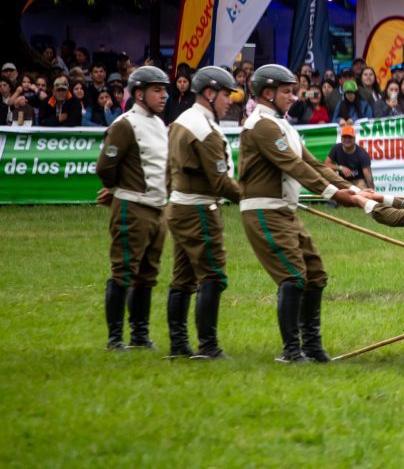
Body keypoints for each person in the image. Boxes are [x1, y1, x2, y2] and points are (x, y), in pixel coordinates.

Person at [237, 64, 359, 363]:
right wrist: (334, 194)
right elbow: (294, 167)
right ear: (268, 92)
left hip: (284, 210)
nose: (293, 97)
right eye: (287, 91)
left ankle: (312, 346)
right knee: (293, 276)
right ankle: (291, 351)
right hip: (264, 210)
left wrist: (352, 189)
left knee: (315, 274)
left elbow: (314, 164)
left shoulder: (283, 125)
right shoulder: (261, 125)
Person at [165, 66, 241, 360]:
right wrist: (251, 195)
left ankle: (178, 345)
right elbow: (220, 182)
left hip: (180, 206)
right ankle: (208, 347)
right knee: (212, 275)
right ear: (209, 93)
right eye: (225, 95)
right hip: (199, 209)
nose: (229, 100)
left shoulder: (183, 120)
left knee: (182, 277)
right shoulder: (205, 130)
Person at [95, 67, 171, 351]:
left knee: (147, 274)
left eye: (164, 90)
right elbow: (105, 166)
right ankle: (115, 338)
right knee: (124, 271)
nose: (163, 95)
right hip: (133, 206)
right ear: (139, 93)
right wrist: (119, 188)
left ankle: (140, 335)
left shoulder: (159, 124)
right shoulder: (125, 124)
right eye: (156, 90)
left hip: (156, 208)